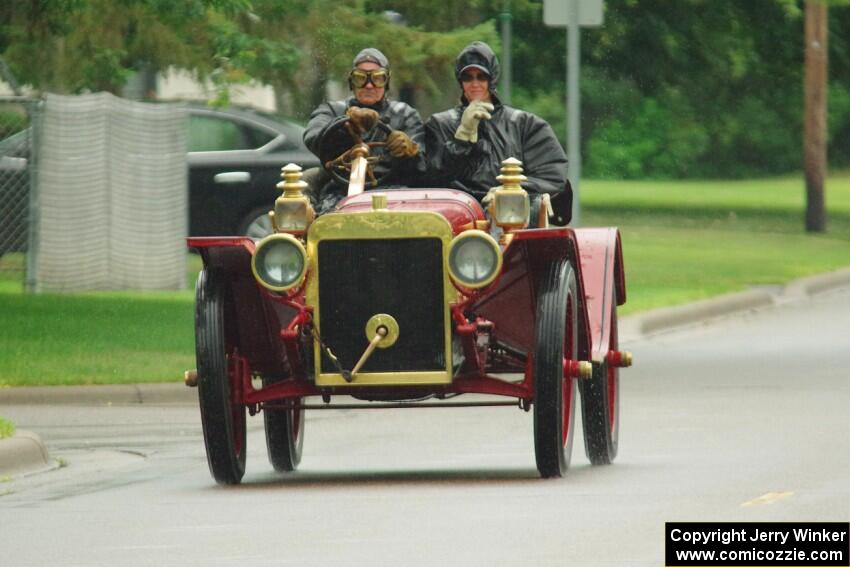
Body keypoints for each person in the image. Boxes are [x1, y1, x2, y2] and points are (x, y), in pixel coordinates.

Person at [424, 41, 570, 222]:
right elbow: (430, 180)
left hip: (514, 217)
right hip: (457, 217)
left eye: (481, 76)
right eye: (468, 77)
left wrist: (509, 191)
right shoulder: (439, 124)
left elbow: (553, 176)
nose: (474, 83)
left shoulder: (525, 124)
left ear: (492, 79)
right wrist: (462, 137)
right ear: (460, 82)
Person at [303, 48, 426, 213]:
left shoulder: (405, 115)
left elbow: (424, 166)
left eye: (377, 78)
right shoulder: (332, 111)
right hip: (340, 192)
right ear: (351, 82)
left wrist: (409, 149)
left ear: (387, 82)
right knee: (325, 220)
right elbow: (313, 139)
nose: (369, 85)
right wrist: (346, 126)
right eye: (360, 78)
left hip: (395, 191)